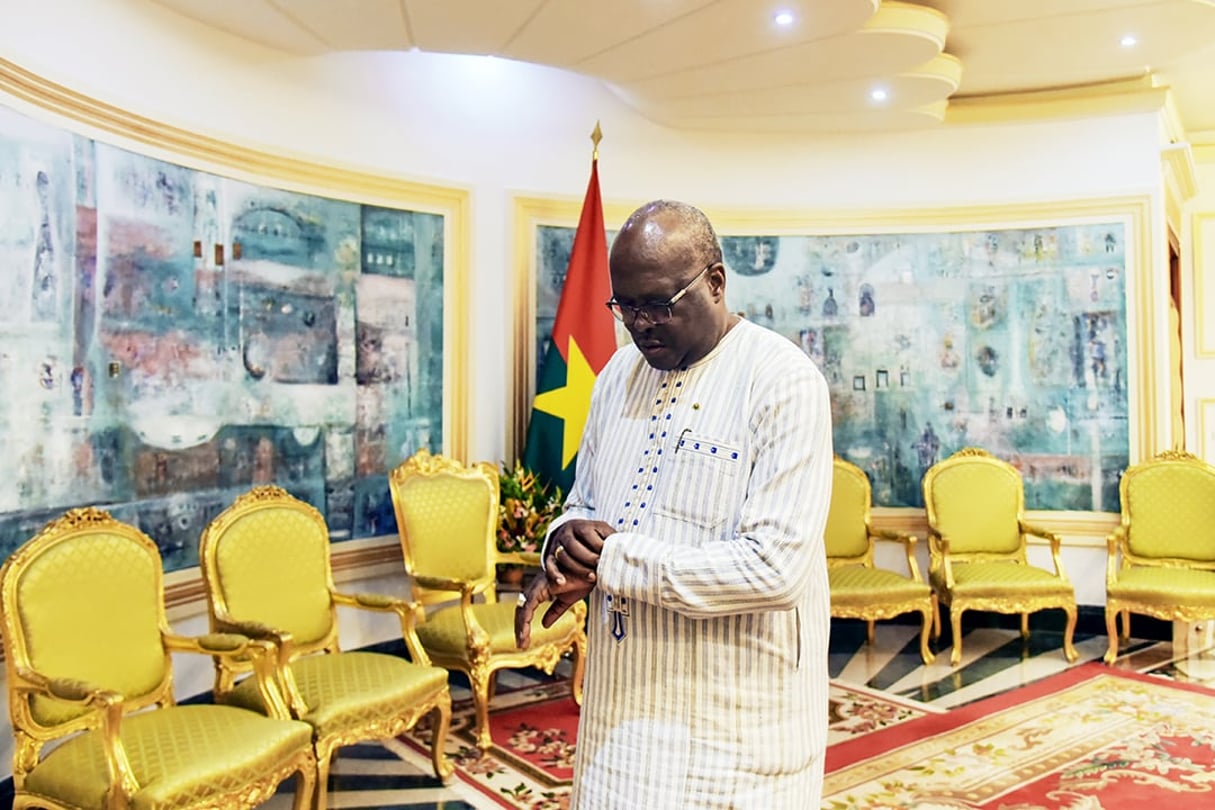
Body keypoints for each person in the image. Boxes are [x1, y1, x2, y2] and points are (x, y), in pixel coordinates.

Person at [514, 199, 834, 808]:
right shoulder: (616, 376)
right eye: (625, 305)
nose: (639, 324)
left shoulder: (783, 382)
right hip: (622, 720)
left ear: (715, 281)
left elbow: (775, 568)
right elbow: (585, 500)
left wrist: (611, 561)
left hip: (735, 726)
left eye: (658, 305)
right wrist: (564, 543)